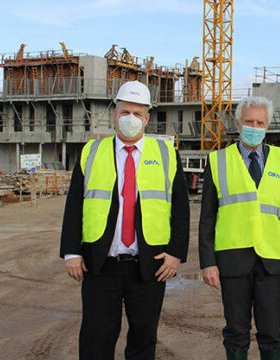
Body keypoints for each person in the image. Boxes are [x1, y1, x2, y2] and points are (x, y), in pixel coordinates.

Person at [59, 80, 190, 360]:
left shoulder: (167, 155)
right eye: (125, 112)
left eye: (138, 114)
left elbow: (180, 209)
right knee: (96, 338)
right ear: (115, 113)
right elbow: (74, 206)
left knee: (143, 339)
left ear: (147, 118)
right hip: (100, 264)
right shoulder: (91, 152)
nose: (131, 119)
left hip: (150, 264)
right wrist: (71, 252)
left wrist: (176, 253)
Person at [199, 96, 280, 360]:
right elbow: (207, 217)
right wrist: (207, 263)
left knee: (271, 332)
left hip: (272, 259)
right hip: (233, 259)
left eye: (260, 122)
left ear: (267, 126)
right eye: (249, 122)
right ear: (238, 124)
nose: (254, 127)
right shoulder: (218, 161)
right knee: (236, 331)